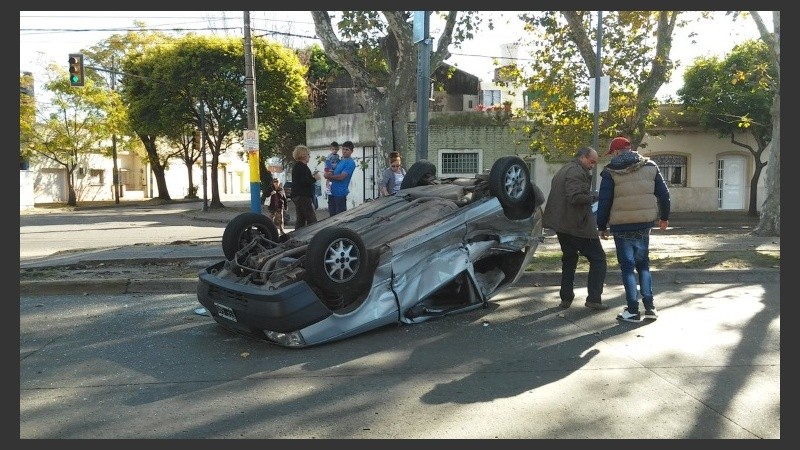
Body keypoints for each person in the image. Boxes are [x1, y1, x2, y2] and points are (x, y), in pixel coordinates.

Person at [596, 136, 671, 323]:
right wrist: (664, 217)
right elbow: (664, 194)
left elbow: (604, 201)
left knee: (628, 268)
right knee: (643, 265)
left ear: (615, 152)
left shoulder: (611, 172)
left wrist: (601, 226)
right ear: (631, 149)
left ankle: (632, 310)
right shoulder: (650, 166)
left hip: (621, 226)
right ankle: (650, 308)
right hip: (644, 224)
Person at [542, 146, 609, 311]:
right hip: (577, 224)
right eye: (592, 161)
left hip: (563, 224)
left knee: (570, 259)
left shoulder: (565, 169)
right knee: (598, 259)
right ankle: (594, 298)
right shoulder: (576, 171)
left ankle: (566, 298)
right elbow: (575, 197)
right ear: (584, 157)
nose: (593, 165)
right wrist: (594, 197)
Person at [289, 145, 320, 228]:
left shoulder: (299, 166)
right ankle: (313, 235)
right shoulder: (301, 167)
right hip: (302, 195)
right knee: (311, 218)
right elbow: (304, 181)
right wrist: (314, 179)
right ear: (303, 155)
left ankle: (297, 236)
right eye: (308, 154)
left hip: (298, 195)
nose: (309, 157)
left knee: (301, 218)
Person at [324, 140, 356, 216]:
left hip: (340, 193)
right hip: (332, 191)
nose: (344, 151)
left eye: (347, 150)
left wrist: (330, 176)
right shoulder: (339, 160)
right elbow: (330, 167)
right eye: (343, 149)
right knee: (331, 216)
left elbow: (342, 177)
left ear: (351, 151)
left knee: (340, 217)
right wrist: (327, 173)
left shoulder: (350, 162)